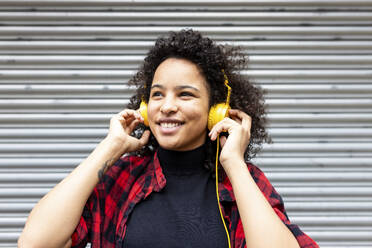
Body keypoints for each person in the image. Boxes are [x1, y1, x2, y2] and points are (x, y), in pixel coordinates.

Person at [18, 29, 318, 248]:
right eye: (157, 94)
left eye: (185, 94)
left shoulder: (243, 183)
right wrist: (109, 149)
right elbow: (35, 243)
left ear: (216, 110)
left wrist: (234, 163)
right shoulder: (121, 178)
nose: (167, 105)